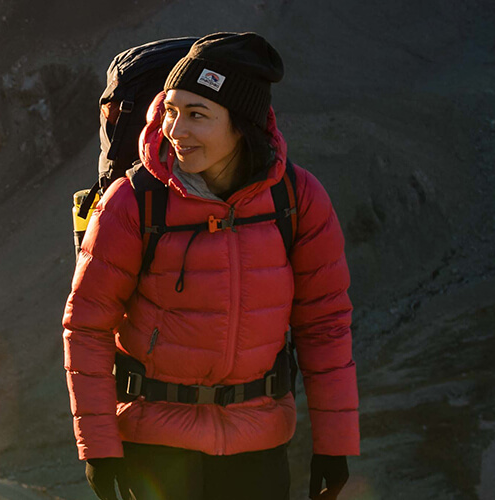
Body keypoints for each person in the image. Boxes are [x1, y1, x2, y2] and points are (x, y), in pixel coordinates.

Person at [64, 32, 359, 500]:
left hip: (257, 443)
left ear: (242, 124)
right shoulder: (133, 201)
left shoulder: (297, 199)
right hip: (156, 442)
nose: (176, 130)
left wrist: (334, 444)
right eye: (172, 111)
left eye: (197, 115)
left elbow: (324, 324)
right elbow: (87, 326)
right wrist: (98, 448)